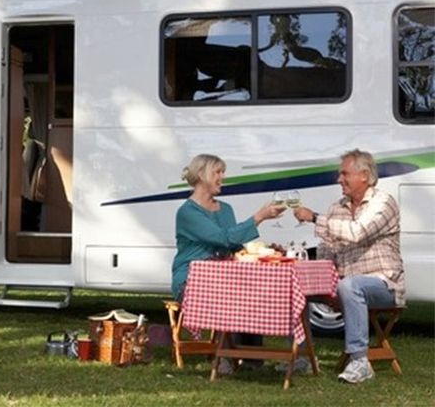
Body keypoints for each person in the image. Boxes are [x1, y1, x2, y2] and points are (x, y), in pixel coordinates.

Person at [294, 149, 405, 384]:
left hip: (384, 284)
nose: (339, 179)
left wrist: (314, 217)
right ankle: (301, 357)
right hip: (345, 285)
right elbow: (327, 252)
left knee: (350, 286)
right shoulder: (337, 208)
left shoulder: (383, 203)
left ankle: (359, 362)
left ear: (364, 175)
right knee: (294, 287)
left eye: (344, 174)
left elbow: (357, 233)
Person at [171, 153, 285, 373]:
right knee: (228, 293)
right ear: (202, 175)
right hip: (191, 279)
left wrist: (265, 249)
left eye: (222, 172)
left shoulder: (226, 209)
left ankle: (251, 360)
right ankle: (226, 358)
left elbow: (234, 245)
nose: (222, 177)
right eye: (218, 172)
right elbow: (222, 238)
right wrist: (258, 217)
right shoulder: (187, 213)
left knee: (254, 291)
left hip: (226, 277)